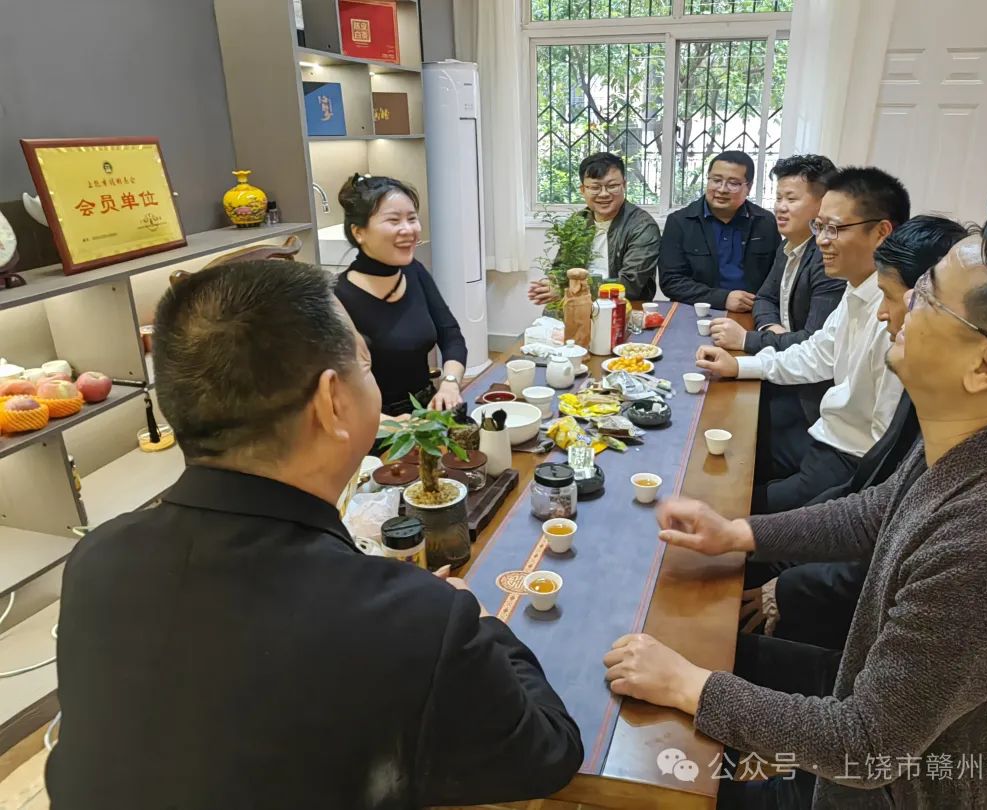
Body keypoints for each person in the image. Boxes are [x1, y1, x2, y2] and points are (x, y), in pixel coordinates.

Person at [46, 260, 584, 809]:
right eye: (366, 364)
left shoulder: (97, 560)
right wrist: (483, 621)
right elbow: (550, 752)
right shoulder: (414, 618)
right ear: (332, 402)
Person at [603, 209, 987, 809]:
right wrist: (738, 531)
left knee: (654, 767)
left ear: (985, 365)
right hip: (873, 731)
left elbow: (866, 742)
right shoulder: (978, 439)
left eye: (927, 296)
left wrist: (689, 686)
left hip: (907, 787)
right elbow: (877, 512)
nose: (891, 309)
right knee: (691, 649)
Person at [741, 215, 970, 651]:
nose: (885, 313)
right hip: (846, 487)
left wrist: (786, 585)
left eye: (914, 301)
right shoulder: (940, 398)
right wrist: (747, 533)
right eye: (820, 225)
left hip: (853, 638)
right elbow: (875, 505)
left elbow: (881, 565)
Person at [696, 167, 910, 513]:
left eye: (834, 228)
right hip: (824, 436)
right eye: (819, 226)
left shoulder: (894, 316)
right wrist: (738, 365)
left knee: (727, 504)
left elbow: (885, 442)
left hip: (848, 462)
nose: (822, 240)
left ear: (881, 232)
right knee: (720, 454)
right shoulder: (857, 288)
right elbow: (816, 354)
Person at [709, 155, 846, 481]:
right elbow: (764, 297)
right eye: (779, 197)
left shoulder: (827, 259)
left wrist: (747, 339)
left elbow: (813, 343)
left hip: (806, 397)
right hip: (782, 365)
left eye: (791, 199)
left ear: (822, 205)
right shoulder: (791, 246)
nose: (780, 208)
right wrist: (772, 329)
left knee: (735, 438)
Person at [334, 174, 467, 418]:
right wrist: (390, 424)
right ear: (359, 232)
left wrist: (449, 383)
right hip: (374, 424)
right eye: (394, 220)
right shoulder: (338, 297)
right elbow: (336, 395)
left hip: (428, 412)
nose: (408, 230)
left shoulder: (414, 271)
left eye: (412, 218)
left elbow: (451, 336)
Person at [527, 152, 660, 304]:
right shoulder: (578, 221)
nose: (604, 194)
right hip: (577, 303)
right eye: (595, 187)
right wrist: (552, 283)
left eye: (612, 186)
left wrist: (568, 290)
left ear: (624, 185)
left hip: (623, 307)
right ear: (583, 190)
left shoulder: (642, 226)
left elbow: (630, 285)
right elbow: (561, 268)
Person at [658, 150, 782, 312]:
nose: (722, 189)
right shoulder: (680, 222)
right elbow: (671, 281)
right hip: (695, 311)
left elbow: (777, 277)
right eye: (716, 180)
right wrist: (722, 299)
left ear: (749, 187)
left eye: (733, 183)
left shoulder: (765, 222)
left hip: (751, 311)